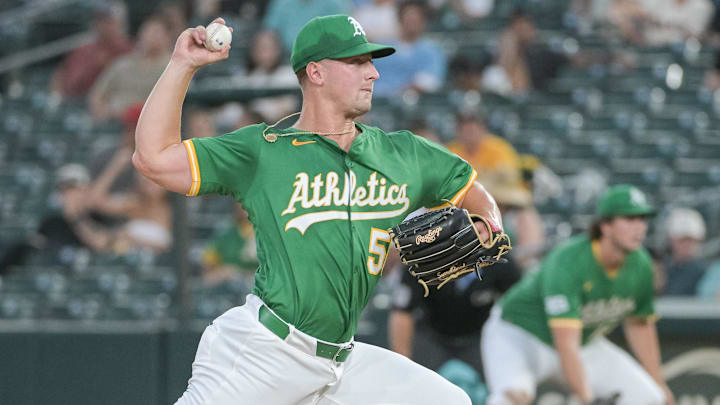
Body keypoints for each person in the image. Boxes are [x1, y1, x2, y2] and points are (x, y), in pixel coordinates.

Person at [133, 14, 507, 405]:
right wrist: (181, 65)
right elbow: (153, 158)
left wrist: (487, 222)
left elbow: (471, 189)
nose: (373, 73)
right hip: (267, 352)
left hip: (341, 361)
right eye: (356, 62)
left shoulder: (403, 153)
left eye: (371, 62)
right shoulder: (264, 151)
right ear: (316, 72)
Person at [481, 185, 674, 405]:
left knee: (650, 398)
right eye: (629, 219)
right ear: (605, 225)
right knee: (512, 396)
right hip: (519, 335)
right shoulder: (569, 260)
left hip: (583, 341)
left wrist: (659, 381)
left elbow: (639, 325)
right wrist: (587, 398)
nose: (639, 227)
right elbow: (566, 344)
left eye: (642, 219)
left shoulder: (641, 264)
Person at [388, 249, 521, 375]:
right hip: (432, 336)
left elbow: (517, 309)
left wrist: (511, 361)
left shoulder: (499, 257)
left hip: (478, 337)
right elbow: (402, 312)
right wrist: (402, 363)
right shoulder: (423, 257)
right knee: (423, 385)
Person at [89, 15, 172, 123]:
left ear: (167, 37)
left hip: (147, 123)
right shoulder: (122, 64)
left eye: (156, 32)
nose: (150, 36)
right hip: (112, 121)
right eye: (147, 32)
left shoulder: (171, 67)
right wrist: (102, 113)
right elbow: (98, 94)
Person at [659, 207, 708, 296]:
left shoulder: (706, 271)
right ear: (671, 240)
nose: (687, 245)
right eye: (682, 240)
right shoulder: (662, 268)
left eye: (690, 240)